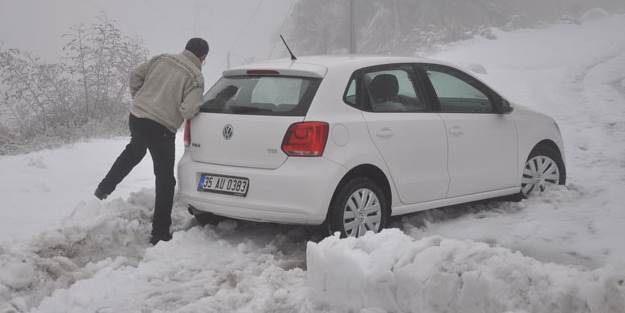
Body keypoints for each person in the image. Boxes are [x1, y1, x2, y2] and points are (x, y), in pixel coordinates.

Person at [94, 38, 208, 245]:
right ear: (203, 57)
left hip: (137, 117)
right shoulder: (196, 77)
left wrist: (140, 98)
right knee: (165, 180)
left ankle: (103, 188)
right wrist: (178, 109)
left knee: (134, 152)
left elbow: (135, 75)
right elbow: (189, 110)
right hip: (161, 128)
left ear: (186, 48)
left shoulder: (162, 58)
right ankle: (160, 233)